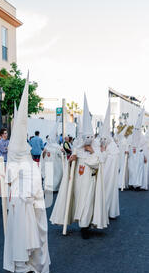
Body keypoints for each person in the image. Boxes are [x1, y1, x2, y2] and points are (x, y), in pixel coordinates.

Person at [3, 74, 50, 273]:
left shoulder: (30, 164)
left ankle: (29, 270)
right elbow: (9, 181)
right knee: (16, 236)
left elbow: (34, 188)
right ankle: (18, 269)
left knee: (28, 238)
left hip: (29, 208)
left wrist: (27, 199)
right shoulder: (17, 161)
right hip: (16, 207)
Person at [50, 94, 108, 239]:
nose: (88, 140)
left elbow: (99, 162)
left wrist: (92, 152)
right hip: (77, 179)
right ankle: (79, 222)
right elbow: (70, 162)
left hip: (89, 179)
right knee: (77, 201)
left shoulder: (95, 146)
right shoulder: (77, 146)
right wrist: (71, 160)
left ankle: (85, 226)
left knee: (87, 202)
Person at [96, 103, 120, 219]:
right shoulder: (98, 143)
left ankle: (108, 210)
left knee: (108, 190)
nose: (103, 140)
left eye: (105, 138)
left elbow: (113, 158)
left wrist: (105, 152)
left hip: (108, 174)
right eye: (102, 138)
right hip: (100, 171)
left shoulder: (113, 146)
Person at [40, 123, 63, 205]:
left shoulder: (59, 147)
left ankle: (55, 188)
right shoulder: (46, 147)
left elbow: (62, 155)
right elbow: (42, 157)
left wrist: (62, 152)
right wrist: (44, 153)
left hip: (56, 165)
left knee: (56, 177)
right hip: (48, 165)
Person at [128, 110, 148, 191]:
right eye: (135, 129)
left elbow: (144, 148)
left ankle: (138, 185)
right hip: (132, 156)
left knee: (139, 171)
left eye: (138, 129)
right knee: (132, 170)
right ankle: (132, 184)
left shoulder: (142, 138)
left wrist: (145, 157)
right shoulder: (131, 137)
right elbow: (129, 145)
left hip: (139, 155)